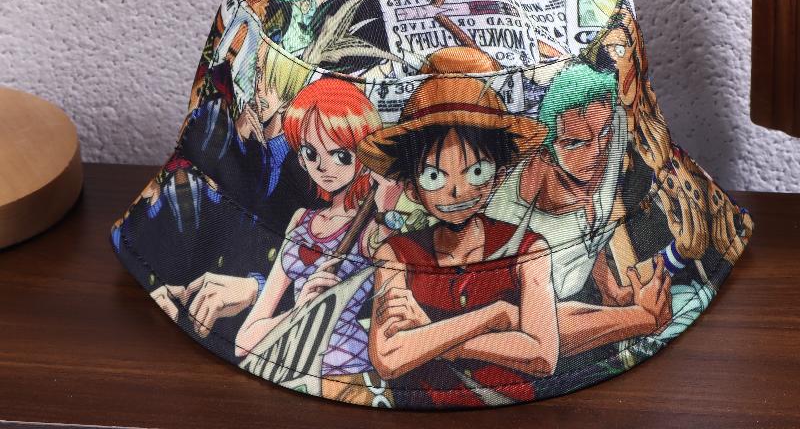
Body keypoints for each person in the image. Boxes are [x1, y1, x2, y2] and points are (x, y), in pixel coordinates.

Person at [358, 48, 560, 408]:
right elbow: (388, 357)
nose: (456, 191)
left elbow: (542, 354)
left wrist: (428, 331)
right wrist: (494, 316)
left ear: (499, 175)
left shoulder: (529, 249)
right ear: (412, 189)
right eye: (434, 176)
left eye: (477, 171)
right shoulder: (396, 253)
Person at [486, 62, 673, 360]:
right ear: (546, 152)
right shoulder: (507, 224)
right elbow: (528, 329)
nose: (596, 152)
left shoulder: (611, 131)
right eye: (574, 143)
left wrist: (608, 288)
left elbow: (589, 229)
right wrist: (640, 318)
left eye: (603, 133)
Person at [234, 78, 401, 403]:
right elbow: (244, 339)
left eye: (341, 155)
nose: (323, 167)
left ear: (364, 155)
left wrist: (387, 211)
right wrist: (300, 312)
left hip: (353, 378)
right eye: (311, 153)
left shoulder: (373, 227)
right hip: (293, 374)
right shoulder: (302, 221)